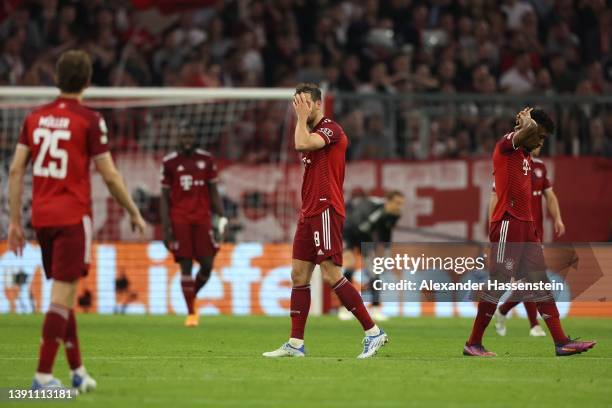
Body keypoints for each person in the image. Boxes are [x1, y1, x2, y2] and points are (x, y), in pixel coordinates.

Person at [7, 50, 147, 391]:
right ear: (87, 81)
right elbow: (111, 176)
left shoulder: (34, 117)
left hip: (41, 219)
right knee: (62, 296)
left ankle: (78, 372)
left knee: (63, 295)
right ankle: (41, 377)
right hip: (72, 218)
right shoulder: (89, 120)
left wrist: (14, 222)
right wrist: (133, 210)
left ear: (56, 78)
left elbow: (15, 170)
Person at [263, 83, 387, 359]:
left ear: (318, 104)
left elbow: (300, 144)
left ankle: (374, 332)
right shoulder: (309, 129)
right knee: (299, 275)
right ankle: (296, 343)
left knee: (331, 274)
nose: (300, 108)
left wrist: (299, 119)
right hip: (308, 212)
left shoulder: (332, 129)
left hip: (326, 209)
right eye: (296, 103)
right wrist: (300, 119)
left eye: (304, 103)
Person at [463, 107, 595, 357]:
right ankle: (473, 342)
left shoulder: (526, 157)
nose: (540, 142)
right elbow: (529, 131)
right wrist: (527, 122)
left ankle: (561, 341)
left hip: (527, 226)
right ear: (525, 129)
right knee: (499, 282)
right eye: (541, 136)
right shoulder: (506, 146)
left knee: (540, 284)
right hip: (508, 222)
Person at [491, 145, 566, 337]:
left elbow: (550, 196)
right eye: (538, 139)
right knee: (527, 281)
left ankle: (504, 312)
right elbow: (495, 196)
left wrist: (557, 218)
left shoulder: (540, 167)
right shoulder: (510, 163)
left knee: (531, 282)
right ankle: (533, 325)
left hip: (534, 233)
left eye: (543, 141)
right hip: (513, 231)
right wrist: (495, 226)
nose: (541, 144)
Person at [160, 123, 227, 327]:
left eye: (190, 135)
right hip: (180, 219)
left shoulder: (206, 160)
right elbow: (164, 197)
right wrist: (165, 228)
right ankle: (191, 313)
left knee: (207, 264)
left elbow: (213, 191)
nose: (187, 139)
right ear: (178, 138)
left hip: (202, 219)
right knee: (186, 266)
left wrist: (222, 216)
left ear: (195, 137)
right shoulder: (170, 162)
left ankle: (191, 295)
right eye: (184, 136)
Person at [339, 191, 405, 322]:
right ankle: (344, 309)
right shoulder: (375, 210)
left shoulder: (394, 215)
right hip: (349, 231)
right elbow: (360, 225)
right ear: (388, 201)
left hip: (365, 236)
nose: (399, 207)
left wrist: (386, 254)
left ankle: (375, 309)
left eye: (401, 204)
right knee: (350, 267)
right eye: (397, 203)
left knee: (374, 271)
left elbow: (386, 233)